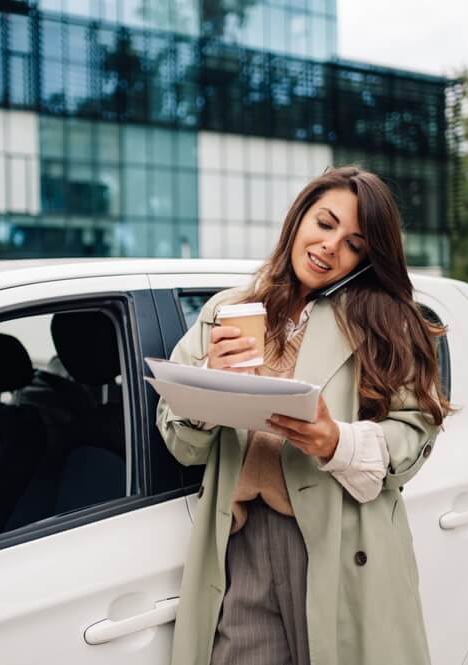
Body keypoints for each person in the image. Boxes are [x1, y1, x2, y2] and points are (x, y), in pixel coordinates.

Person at [156, 166, 452, 665]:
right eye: (325, 223)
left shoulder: (386, 323)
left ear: (368, 257)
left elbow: (415, 435)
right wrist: (210, 376)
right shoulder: (229, 310)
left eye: (355, 243)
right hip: (242, 542)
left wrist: (334, 441)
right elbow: (179, 437)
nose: (331, 247)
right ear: (298, 219)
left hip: (339, 543)